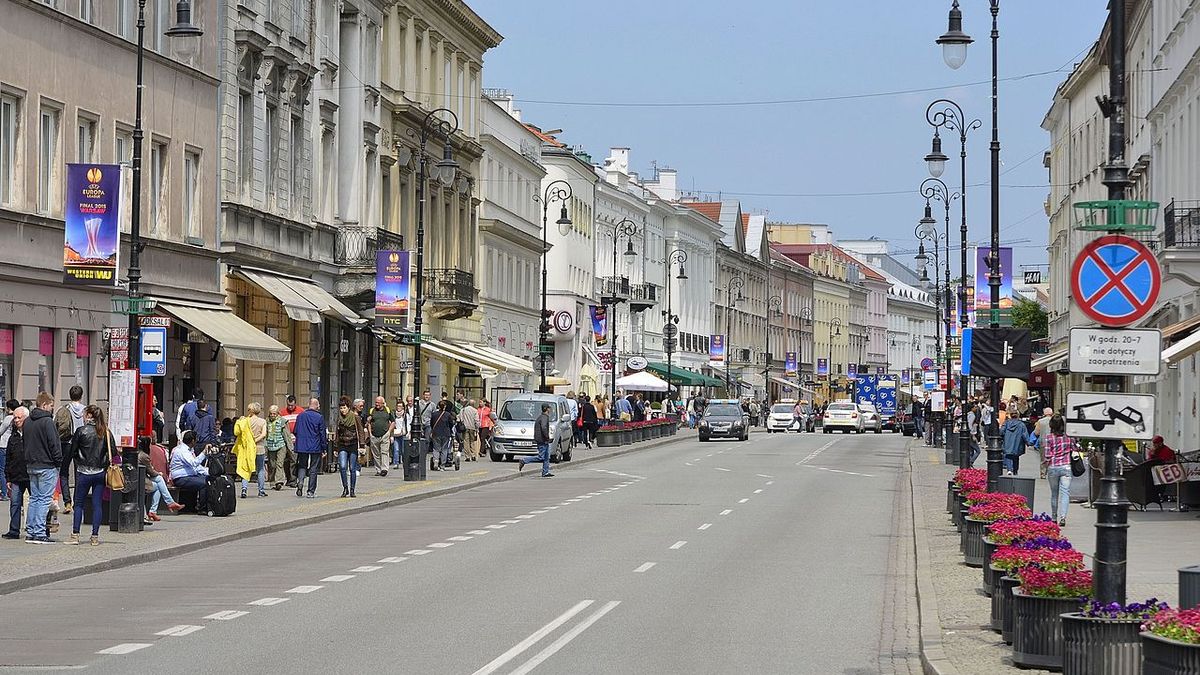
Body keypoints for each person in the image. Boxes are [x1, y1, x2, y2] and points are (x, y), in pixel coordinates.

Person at [65, 404, 114, 546]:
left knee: (79, 504)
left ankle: (75, 535)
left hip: (84, 471)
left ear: (89, 416)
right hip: (100, 473)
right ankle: (95, 536)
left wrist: (74, 462)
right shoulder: (106, 432)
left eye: (84, 414)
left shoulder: (81, 431)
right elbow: (114, 453)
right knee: (97, 504)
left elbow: (72, 451)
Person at [23, 393, 62, 543]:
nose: (52, 409)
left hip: (31, 464)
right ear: (45, 405)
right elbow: (54, 444)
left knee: (34, 499)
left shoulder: (27, 422)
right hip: (46, 465)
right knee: (44, 499)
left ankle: (31, 531)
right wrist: (58, 461)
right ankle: (39, 532)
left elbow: (24, 442)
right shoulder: (47, 421)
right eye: (51, 405)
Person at [53, 385, 86, 515]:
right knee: (79, 472)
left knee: (64, 472)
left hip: (66, 443)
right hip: (81, 444)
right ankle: (78, 502)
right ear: (81, 395)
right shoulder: (85, 410)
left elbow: (55, 424)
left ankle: (67, 502)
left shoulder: (63, 409)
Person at [1040, 414, 1076, 526]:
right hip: (1066, 466)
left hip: (1053, 467)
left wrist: (1048, 459)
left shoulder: (1049, 438)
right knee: (1065, 493)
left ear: (1051, 425)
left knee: (1054, 494)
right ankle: (1063, 517)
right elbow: (1075, 449)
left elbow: (1047, 454)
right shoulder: (1069, 437)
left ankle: (1054, 518)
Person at [3, 407, 29, 539]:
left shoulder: (31, 434)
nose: (17, 420)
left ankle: (33, 529)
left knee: (35, 503)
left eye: (19, 417)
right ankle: (14, 530)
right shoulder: (13, 437)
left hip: (30, 474)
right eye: (15, 418)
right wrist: (7, 478)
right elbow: (8, 458)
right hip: (16, 476)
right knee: (15, 503)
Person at [140, 440, 183, 522]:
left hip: (143, 477)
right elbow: (151, 472)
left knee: (159, 482)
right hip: (141, 480)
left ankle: (162, 507)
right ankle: (164, 505)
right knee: (159, 484)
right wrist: (159, 473)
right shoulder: (144, 456)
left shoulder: (140, 454)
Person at [293, 399, 326, 498]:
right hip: (315, 445)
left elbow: (295, 431)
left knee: (302, 465)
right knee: (313, 468)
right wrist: (324, 447)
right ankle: (310, 491)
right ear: (316, 406)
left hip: (302, 445)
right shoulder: (319, 417)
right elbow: (322, 434)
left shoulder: (300, 416)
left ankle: (300, 482)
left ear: (308, 405)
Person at [233, 403, 268, 499]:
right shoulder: (262, 421)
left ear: (250, 411)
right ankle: (261, 491)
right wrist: (255, 440)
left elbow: (237, 433)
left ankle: (244, 489)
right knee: (260, 469)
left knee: (245, 468)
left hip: (247, 448)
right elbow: (264, 434)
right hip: (259, 447)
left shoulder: (244, 421)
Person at [169, 431, 209, 510]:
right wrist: (204, 452)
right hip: (181, 478)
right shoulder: (182, 450)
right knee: (204, 483)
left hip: (189, 475)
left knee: (208, 480)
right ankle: (202, 508)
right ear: (193, 441)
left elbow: (196, 467)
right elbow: (194, 463)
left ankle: (197, 505)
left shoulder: (189, 450)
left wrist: (207, 472)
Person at [517, 404, 554, 477]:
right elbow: (543, 428)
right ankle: (524, 460)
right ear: (547, 409)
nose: (550, 410)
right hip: (542, 440)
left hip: (542, 440)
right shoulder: (544, 418)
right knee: (541, 457)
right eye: (549, 408)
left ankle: (545, 472)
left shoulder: (541, 417)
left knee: (546, 457)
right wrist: (547, 437)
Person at [335, 397, 360, 497]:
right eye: (341, 408)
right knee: (342, 466)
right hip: (342, 445)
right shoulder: (339, 418)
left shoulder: (355, 417)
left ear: (348, 407)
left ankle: (352, 489)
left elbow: (360, 431)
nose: (342, 410)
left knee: (352, 468)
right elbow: (337, 432)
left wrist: (362, 445)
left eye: (344, 408)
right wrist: (336, 447)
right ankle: (345, 488)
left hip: (353, 445)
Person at [264, 405, 291, 491]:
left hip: (281, 445)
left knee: (279, 463)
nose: (272, 415)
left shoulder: (282, 421)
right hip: (270, 445)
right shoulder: (266, 421)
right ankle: (272, 481)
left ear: (277, 414)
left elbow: (287, 435)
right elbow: (265, 434)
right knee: (272, 465)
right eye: (271, 414)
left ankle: (279, 481)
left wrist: (290, 447)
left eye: (274, 414)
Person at [367, 396, 394, 476]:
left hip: (384, 435)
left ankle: (384, 469)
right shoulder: (372, 411)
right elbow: (368, 423)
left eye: (378, 403)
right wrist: (370, 433)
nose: (376, 404)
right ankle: (378, 469)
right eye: (376, 402)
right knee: (376, 453)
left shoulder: (387, 410)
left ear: (383, 403)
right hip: (374, 435)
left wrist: (389, 432)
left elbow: (392, 421)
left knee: (384, 452)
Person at [429, 400, 456, 471]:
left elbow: (431, 423)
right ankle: (442, 465)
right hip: (445, 434)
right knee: (444, 449)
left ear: (438, 406)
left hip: (436, 433)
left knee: (436, 448)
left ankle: (435, 462)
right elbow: (451, 424)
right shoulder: (447, 414)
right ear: (445, 407)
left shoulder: (434, 414)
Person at [0, 399, 16, 501]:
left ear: (8, 408)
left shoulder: (8, 419)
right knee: (11, 470)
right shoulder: (17, 418)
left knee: (2, 470)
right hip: (13, 446)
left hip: (4, 446)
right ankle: (12, 492)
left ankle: (4, 493)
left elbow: (0, 431)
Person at [391, 396, 412, 470]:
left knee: (403, 450)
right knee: (396, 449)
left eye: (400, 406)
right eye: (398, 406)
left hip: (404, 434)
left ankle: (405, 462)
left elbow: (409, 423)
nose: (398, 407)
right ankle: (396, 463)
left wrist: (409, 432)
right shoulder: (394, 414)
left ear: (403, 407)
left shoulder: (406, 415)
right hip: (396, 434)